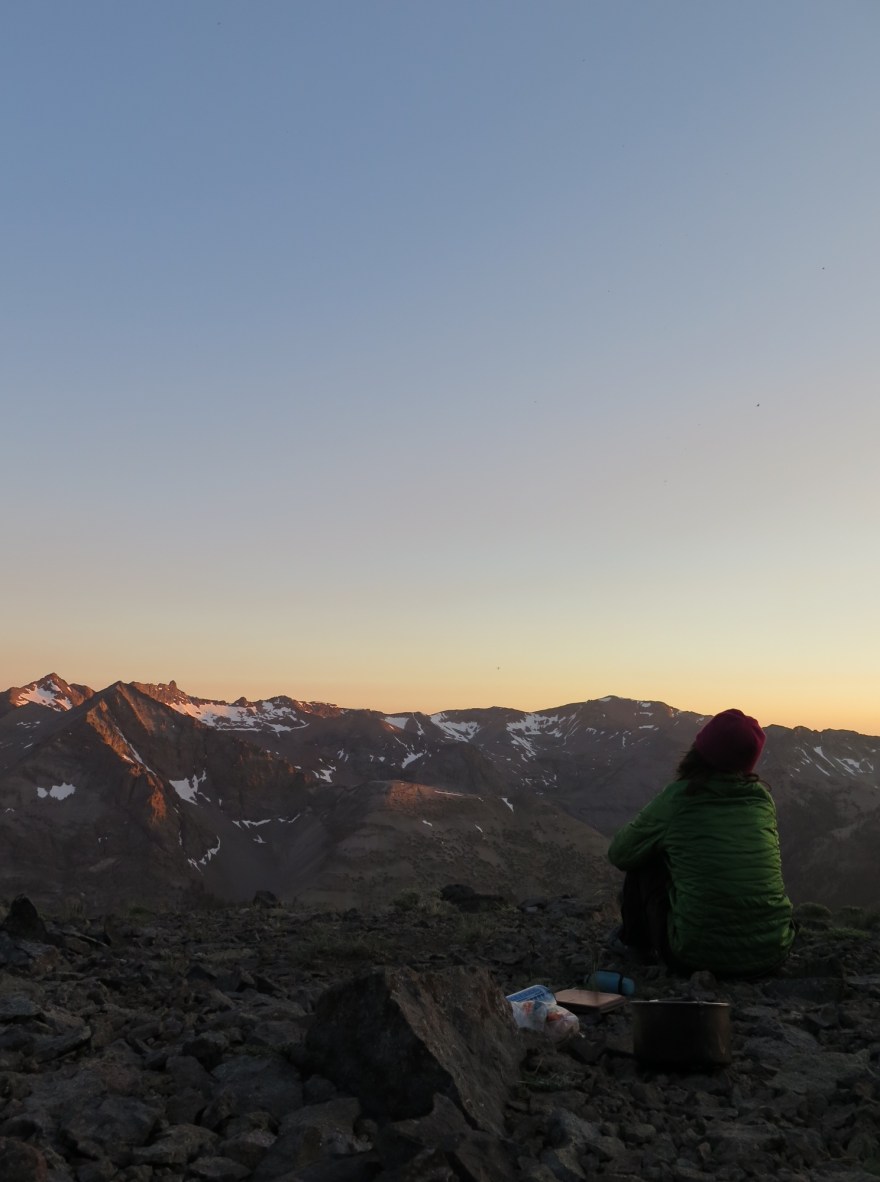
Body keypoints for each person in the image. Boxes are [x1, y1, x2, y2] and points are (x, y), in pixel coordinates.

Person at [607, 708, 795, 977]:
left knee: (645, 857)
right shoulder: (762, 800)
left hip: (696, 956)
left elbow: (620, 853)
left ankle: (635, 945)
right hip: (773, 952)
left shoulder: (680, 798)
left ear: (700, 749)